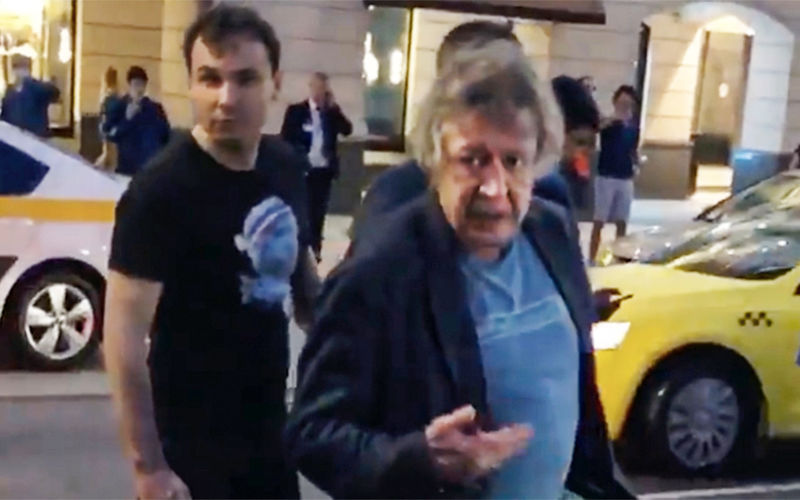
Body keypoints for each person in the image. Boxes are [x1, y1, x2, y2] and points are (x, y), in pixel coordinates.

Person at [286, 43, 633, 499]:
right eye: (473, 159)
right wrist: (422, 459)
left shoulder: (552, 230)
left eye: (513, 161)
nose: (494, 188)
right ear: (435, 161)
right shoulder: (382, 270)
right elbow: (311, 432)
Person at [104, 5, 319, 499]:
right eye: (210, 79)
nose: (226, 98)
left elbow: (306, 287)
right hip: (191, 452)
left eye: (245, 79)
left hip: (269, 438)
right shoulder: (160, 191)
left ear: (275, 83)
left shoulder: (285, 167)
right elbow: (123, 341)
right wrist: (149, 468)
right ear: (190, 85)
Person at [281, 72, 352, 262]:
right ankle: (301, 247)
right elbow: (286, 137)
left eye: (323, 89)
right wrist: (297, 158)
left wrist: (334, 108)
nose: (319, 92)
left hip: (323, 170)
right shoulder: (297, 111)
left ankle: (315, 249)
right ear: (311, 88)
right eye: (317, 88)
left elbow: (347, 130)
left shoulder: (330, 113)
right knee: (302, 209)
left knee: (318, 212)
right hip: (303, 169)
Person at [589, 85, 640, 263]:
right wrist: (613, 119)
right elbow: (597, 128)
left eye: (628, 103)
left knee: (622, 221)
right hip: (606, 176)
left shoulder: (633, 128)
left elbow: (632, 150)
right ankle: (592, 258)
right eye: (621, 102)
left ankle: (618, 257)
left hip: (625, 177)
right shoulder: (609, 123)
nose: (625, 106)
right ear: (615, 102)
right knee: (599, 221)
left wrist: (636, 163)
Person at [103, 66, 171, 176]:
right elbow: (110, 134)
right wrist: (127, 119)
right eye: (136, 84)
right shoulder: (120, 107)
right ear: (129, 85)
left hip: (150, 170)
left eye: (142, 85)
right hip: (127, 169)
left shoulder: (155, 109)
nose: (139, 89)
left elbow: (166, 135)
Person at [0, 54, 60, 137]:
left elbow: (54, 92)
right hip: (15, 138)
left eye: (23, 68)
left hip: (35, 137)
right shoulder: (10, 91)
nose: (19, 72)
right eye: (16, 68)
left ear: (28, 70)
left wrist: (30, 81)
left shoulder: (36, 87)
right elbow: (5, 116)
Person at [95, 66, 122, 171]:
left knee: (107, 152)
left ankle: (99, 167)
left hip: (106, 127)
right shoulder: (115, 95)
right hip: (112, 128)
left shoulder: (106, 95)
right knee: (111, 155)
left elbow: (104, 113)